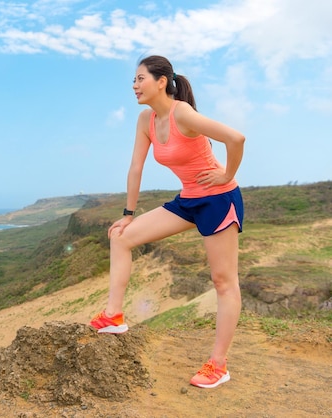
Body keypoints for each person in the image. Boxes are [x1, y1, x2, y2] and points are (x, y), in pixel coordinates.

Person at [89, 55, 245, 389]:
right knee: (121, 237)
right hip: (188, 200)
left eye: (140, 78)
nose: (134, 86)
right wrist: (128, 215)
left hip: (219, 200)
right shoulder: (146, 120)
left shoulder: (182, 113)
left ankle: (218, 365)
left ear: (162, 81)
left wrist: (226, 175)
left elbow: (236, 138)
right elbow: (135, 167)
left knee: (223, 281)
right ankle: (114, 316)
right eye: (133, 80)